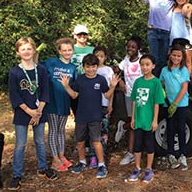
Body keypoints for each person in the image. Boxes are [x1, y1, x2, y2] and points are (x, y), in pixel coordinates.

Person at [59, 54, 120, 179]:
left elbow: (107, 95)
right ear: (83, 67)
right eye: (88, 66)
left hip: (96, 116)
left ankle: (102, 165)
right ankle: (82, 162)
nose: (91, 69)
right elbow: (74, 95)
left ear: (97, 67)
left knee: (96, 141)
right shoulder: (80, 79)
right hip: (81, 116)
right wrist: (66, 86)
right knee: (80, 142)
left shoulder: (101, 80)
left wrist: (113, 86)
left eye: (93, 66)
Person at [8, 37, 57, 190]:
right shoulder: (15, 72)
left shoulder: (41, 70)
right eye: (23, 49)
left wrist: (38, 112)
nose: (27, 51)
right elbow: (14, 95)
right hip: (23, 112)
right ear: (18, 52)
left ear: (34, 50)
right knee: (20, 144)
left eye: (29, 48)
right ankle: (17, 174)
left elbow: (45, 92)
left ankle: (43, 168)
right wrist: (29, 111)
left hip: (39, 112)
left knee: (40, 141)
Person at [109, 0, 177, 76]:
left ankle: (160, 83)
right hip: (153, 31)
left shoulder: (173, 2)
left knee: (163, 60)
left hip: (165, 32)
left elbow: (184, 1)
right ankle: (152, 80)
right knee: (154, 59)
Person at [127, 54, 164, 183]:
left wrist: (155, 120)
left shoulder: (156, 82)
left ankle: (148, 169)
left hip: (149, 120)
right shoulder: (138, 81)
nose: (144, 67)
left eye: (147, 64)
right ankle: (137, 168)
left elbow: (157, 103)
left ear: (153, 66)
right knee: (137, 145)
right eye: (142, 64)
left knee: (149, 144)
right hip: (138, 120)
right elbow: (134, 101)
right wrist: (133, 118)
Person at [42, 38, 76, 172]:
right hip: (52, 103)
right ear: (59, 51)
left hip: (64, 103)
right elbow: (36, 67)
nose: (67, 52)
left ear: (73, 51)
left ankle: (62, 156)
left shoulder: (72, 68)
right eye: (64, 50)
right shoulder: (51, 62)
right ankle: (55, 160)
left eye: (69, 50)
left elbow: (74, 87)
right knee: (53, 130)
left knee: (61, 130)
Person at [159, 44, 190, 170]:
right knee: (170, 128)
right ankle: (171, 154)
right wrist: (163, 95)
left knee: (181, 129)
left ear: (182, 57)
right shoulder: (165, 70)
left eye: (178, 56)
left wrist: (175, 104)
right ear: (170, 55)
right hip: (168, 104)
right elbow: (161, 84)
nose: (176, 58)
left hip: (181, 104)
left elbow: (184, 89)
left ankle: (183, 154)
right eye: (174, 55)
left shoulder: (184, 70)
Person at [87, 46, 115, 169]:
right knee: (92, 132)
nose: (99, 58)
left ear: (105, 58)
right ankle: (93, 156)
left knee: (103, 132)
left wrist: (110, 104)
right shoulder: (90, 69)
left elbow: (111, 89)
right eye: (97, 56)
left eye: (102, 56)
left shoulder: (108, 70)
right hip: (91, 106)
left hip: (104, 105)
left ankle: (101, 156)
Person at [117, 36, 143, 165]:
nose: (130, 49)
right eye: (128, 46)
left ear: (138, 48)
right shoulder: (125, 60)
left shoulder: (143, 60)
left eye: (133, 47)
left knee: (141, 122)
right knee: (133, 123)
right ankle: (131, 153)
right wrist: (120, 81)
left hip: (142, 95)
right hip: (129, 95)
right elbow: (115, 70)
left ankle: (123, 126)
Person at [70, 24, 94, 115]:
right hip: (74, 84)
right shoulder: (69, 49)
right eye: (79, 34)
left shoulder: (92, 49)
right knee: (77, 112)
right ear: (75, 35)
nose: (82, 37)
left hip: (89, 84)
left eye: (84, 34)